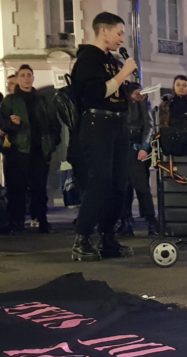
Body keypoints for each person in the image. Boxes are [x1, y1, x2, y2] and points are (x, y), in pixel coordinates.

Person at [70, 12, 137, 261]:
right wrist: (123, 74)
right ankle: (83, 238)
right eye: (118, 32)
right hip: (97, 123)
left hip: (117, 124)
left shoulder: (111, 60)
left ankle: (108, 237)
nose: (121, 38)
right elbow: (97, 92)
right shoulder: (88, 59)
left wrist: (129, 90)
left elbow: (115, 90)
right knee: (100, 181)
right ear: (104, 31)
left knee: (119, 183)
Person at [0, 64, 60, 234]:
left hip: (39, 150)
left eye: (29, 75)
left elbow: (53, 123)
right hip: (18, 150)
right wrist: (11, 123)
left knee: (39, 188)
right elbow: (2, 124)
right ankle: (17, 223)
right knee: (16, 189)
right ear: (18, 79)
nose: (26, 78)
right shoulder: (10, 101)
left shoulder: (41, 100)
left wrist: (52, 143)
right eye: (23, 75)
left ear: (33, 78)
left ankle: (41, 219)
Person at [120, 82, 157, 237]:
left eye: (140, 92)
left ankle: (151, 220)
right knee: (124, 188)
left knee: (142, 187)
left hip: (136, 150)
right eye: (135, 93)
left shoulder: (144, 105)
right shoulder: (123, 105)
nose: (138, 95)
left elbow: (149, 127)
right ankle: (125, 221)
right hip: (122, 149)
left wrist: (144, 147)